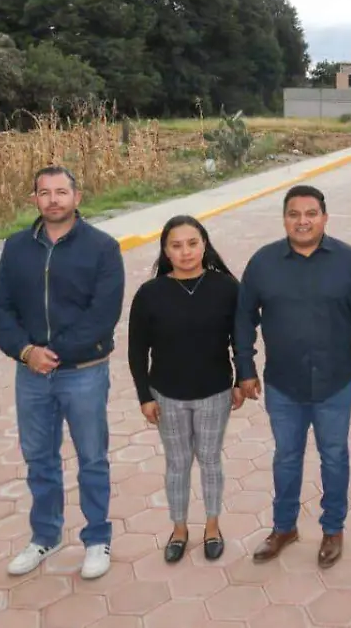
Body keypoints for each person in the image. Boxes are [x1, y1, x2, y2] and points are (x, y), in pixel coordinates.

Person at [0, 166, 125, 581]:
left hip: (83, 371)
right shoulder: (15, 248)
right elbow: (0, 310)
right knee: (40, 459)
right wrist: (27, 352)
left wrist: (56, 353)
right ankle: (45, 535)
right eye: (44, 193)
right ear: (34, 199)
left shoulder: (103, 247)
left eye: (61, 191)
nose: (53, 199)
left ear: (77, 197)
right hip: (31, 375)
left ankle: (97, 538)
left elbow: (103, 314)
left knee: (92, 458)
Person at [236, 185, 351, 569]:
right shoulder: (263, 263)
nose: (303, 221)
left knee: (334, 457)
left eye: (311, 213)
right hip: (284, 383)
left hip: (335, 382)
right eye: (294, 214)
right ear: (284, 219)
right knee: (286, 458)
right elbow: (243, 319)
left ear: (325, 217)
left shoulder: (350, 262)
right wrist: (245, 369)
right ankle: (284, 528)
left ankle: (333, 529)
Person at [128, 215, 244, 564]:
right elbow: (136, 350)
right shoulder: (150, 294)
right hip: (167, 394)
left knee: (209, 460)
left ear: (204, 244)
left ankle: (212, 526)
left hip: (215, 392)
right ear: (165, 251)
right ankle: (179, 529)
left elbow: (240, 340)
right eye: (176, 246)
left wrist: (241, 381)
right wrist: (144, 396)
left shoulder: (226, 288)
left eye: (192, 243)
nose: (186, 252)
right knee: (177, 463)